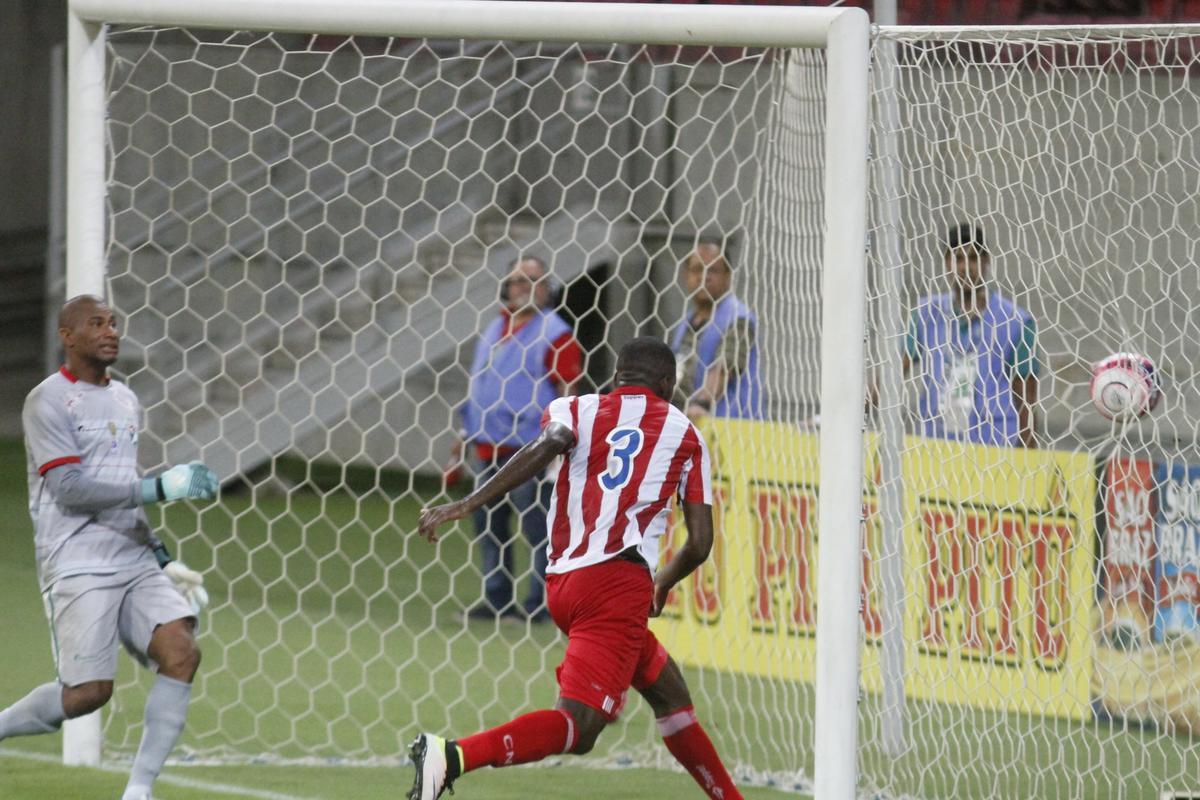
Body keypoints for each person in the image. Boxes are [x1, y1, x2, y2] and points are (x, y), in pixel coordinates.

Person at [409, 337, 744, 800]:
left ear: (616, 378)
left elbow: (551, 443)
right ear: (668, 384)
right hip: (616, 586)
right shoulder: (686, 434)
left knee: (671, 698)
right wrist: (663, 581)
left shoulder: (574, 408)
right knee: (580, 727)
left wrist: (467, 503)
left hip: (563, 582)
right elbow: (700, 543)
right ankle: (452, 756)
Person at [1, 295, 219, 800]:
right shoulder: (47, 401)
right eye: (96, 323)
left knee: (181, 651)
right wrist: (161, 488)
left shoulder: (124, 398)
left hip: (134, 557)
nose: (110, 331)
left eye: (114, 323)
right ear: (67, 336)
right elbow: (71, 490)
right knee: (87, 695)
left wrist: (161, 557)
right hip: (77, 560)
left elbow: (121, 482)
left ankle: (138, 790)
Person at [448, 255, 582, 622]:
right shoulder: (495, 328)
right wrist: (462, 437)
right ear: (506, 287)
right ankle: (497, 597)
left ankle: (541, 602)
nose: (526, 287)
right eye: (519, 280)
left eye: (535, 281)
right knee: (488, 525)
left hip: (530, 450)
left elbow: (568, 389)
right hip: (487, 445)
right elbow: (480, 386)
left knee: (537, 527)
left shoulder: (557, 333)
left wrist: (562, 443)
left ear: (547, 289)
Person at [904, 223, 1040, 448]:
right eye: (958, 259)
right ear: (946, 263)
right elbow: (895, 371)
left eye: (973, 258)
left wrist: (1028, 451)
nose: (965, 267)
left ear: (986, 261)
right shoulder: (926, 315)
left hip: (994, 444)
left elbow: (1026, 397)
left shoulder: (1015, 321)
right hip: (936, 443)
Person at [671, 238, 762, 420]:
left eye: (712, 270)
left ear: (728, 276)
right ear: (685, 275)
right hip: (687, 424)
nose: (704, 276)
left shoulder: (739, 319)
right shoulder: (685, 323)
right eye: (697, 269)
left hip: (728, 428)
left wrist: (701, 402)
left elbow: (725, 368)